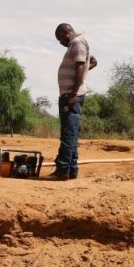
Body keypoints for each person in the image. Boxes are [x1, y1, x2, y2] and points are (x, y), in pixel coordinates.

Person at [47, 23, 97, 181]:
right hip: (70, 93)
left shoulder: (77, 42)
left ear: (65, 32)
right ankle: (71, 170)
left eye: (59, 38)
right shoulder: (77, 43)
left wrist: (74, 93)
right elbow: (93, 61)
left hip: (71, 95)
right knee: (71, 134)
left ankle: (62, 170)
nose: (60, 42)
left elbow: (81, 65)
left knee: (68, 135)